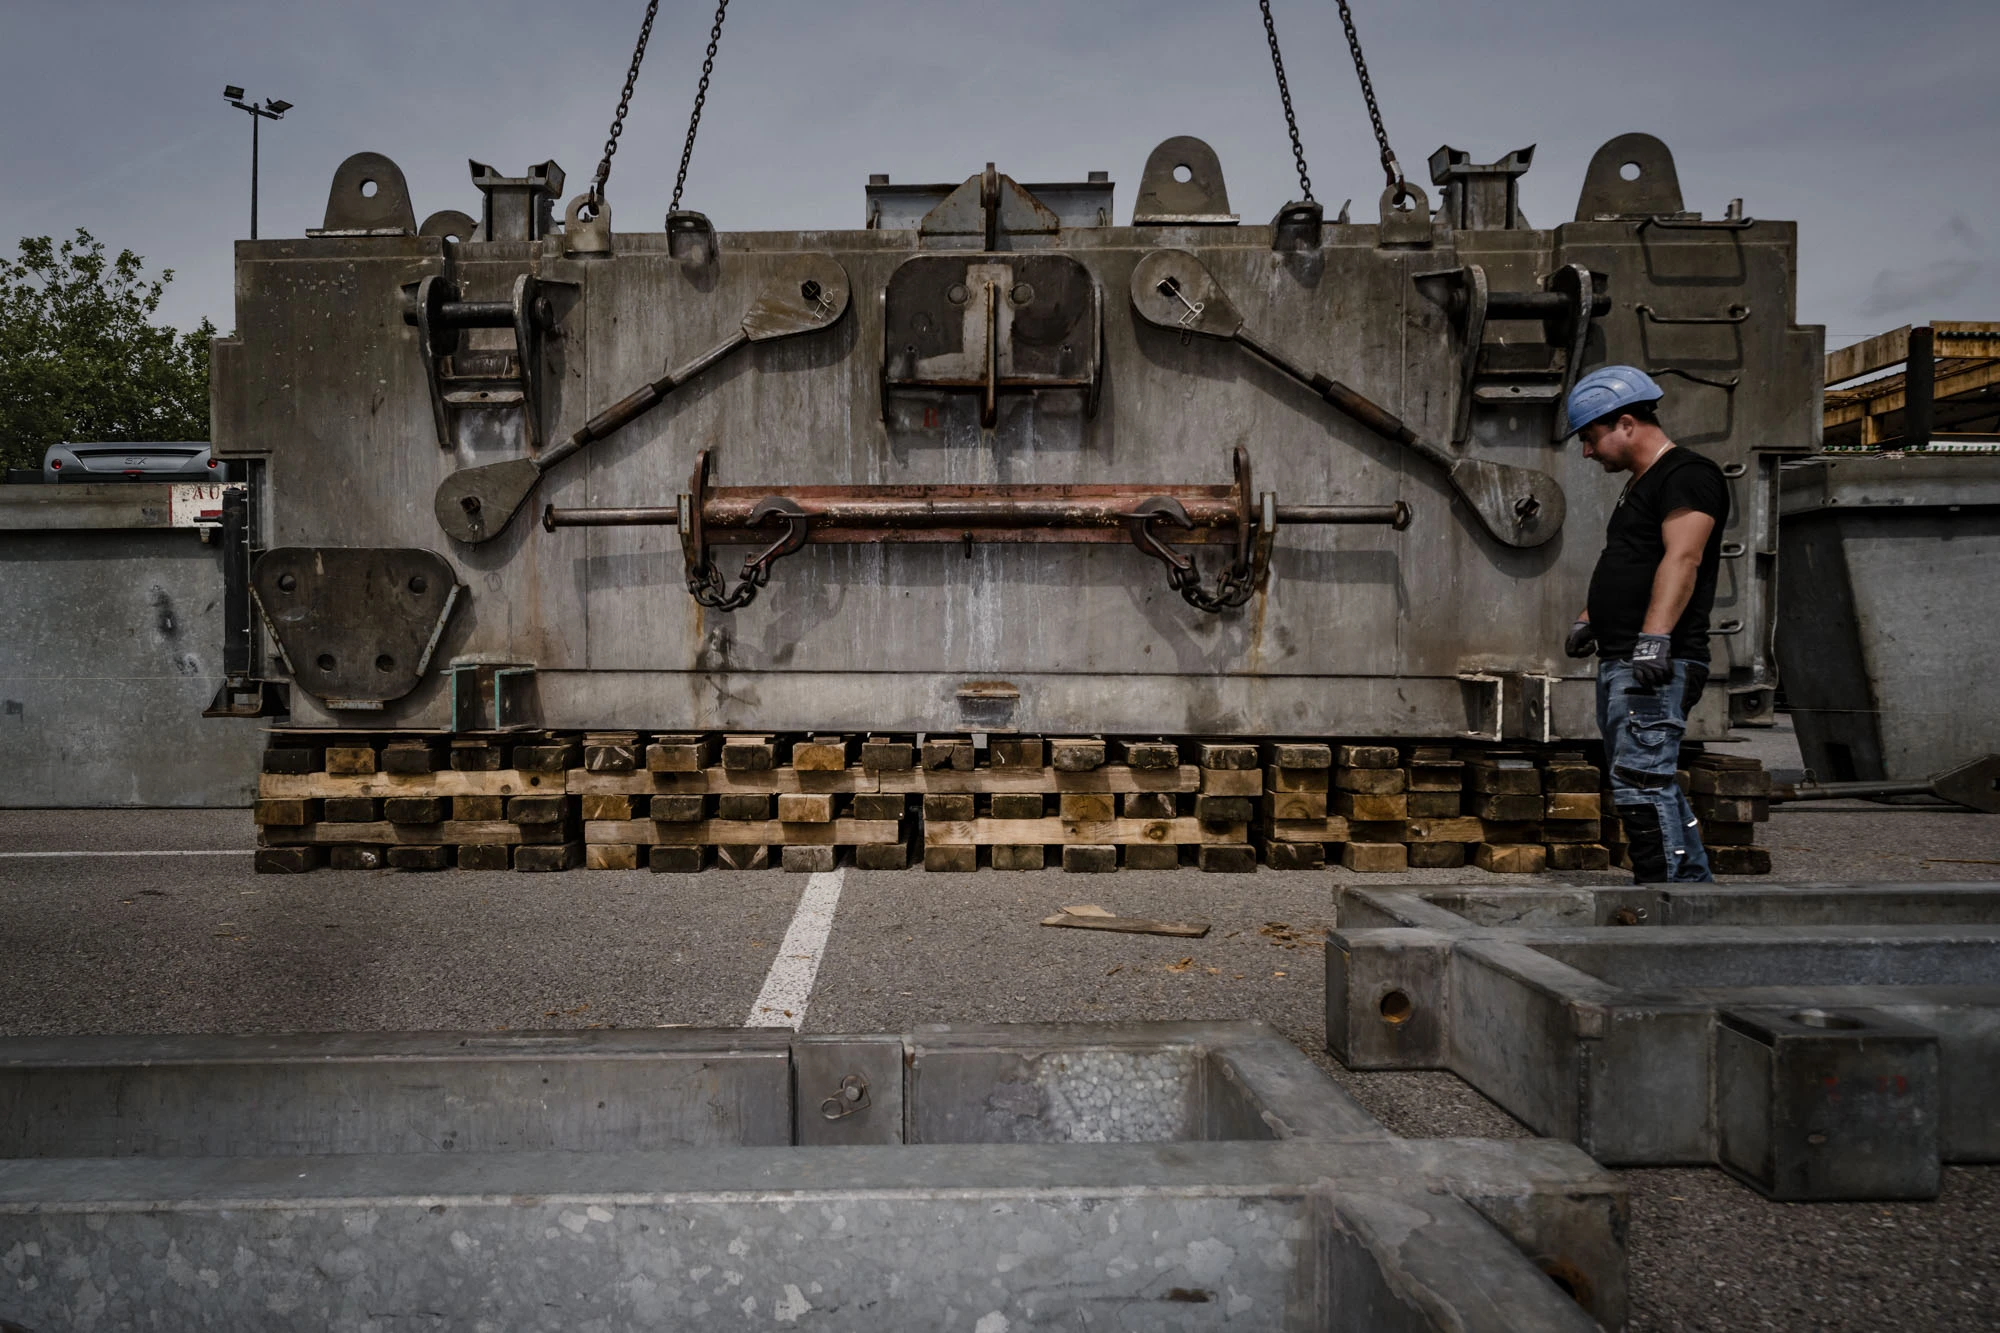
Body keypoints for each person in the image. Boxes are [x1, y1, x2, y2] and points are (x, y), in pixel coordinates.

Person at [1561, 366, 1728, 883]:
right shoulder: (1642, 484)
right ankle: (1694, 893)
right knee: (1648, 779)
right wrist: (1592, 618)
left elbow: (1683, 558)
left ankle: (1667, 901)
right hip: (1624, 657)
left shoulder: (1688, 475)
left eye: (1590, 438)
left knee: (1641, 783)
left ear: (1626, 423)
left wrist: (1654, 639)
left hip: (1656, 662)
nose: (1587, 452)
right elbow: (1630, 559)